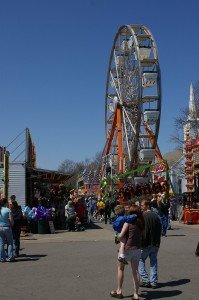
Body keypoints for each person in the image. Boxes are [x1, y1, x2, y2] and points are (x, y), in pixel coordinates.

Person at [110, 205, 144, 300]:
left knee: (121, 269)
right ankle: (136, 294)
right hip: (137, 249)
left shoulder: (127, 223)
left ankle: (119, 291)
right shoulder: (141, 223)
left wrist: (117, 237)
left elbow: (120, 236)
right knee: (135, 271)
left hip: (126, 249)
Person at [139, 200, 162, 289]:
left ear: (147, 206)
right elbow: (160, 229)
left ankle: (145, 280)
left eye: (142, 205)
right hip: (155, 243)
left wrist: (141, 242)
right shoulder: (156, 216)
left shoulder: (143, 216)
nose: (141, 207)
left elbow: (143, 231)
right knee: (153, 262)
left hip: (145, 243)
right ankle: (153, 282)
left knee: (140, 260)